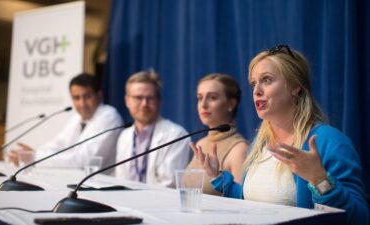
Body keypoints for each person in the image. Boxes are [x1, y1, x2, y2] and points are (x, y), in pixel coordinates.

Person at [192, 45, 368, 225]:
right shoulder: (259, 145)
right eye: (254, 83)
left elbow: (359, 218)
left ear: (295, 86)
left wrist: (319, 179)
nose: (256, 91)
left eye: (266, 80)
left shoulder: (328, 141)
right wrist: (218, 177)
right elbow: (249, 201)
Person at [8, 73, 123, 172]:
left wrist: (35, 157)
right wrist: (35, 154)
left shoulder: (109, 116)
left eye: (87, 96)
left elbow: (83, 160)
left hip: (104, 186)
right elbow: (58, 144)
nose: (82, 104)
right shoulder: (77, 118)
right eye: (76, 98)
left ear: (99, 95)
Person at [115, 70, 191, 187]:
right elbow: (120, 179)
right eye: (138, 98)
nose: (144, 104)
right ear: (127, 101)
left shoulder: (177, 135)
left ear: (159, 100)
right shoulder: (124, 135)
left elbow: (171, 184)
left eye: (150, 98)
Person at [187, 73, 249, 195]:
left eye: (212, 97)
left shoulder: (239, 149)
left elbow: (241, 203)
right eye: (200, 98)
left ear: (231, 103)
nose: (203, 105)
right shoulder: (201, 143)